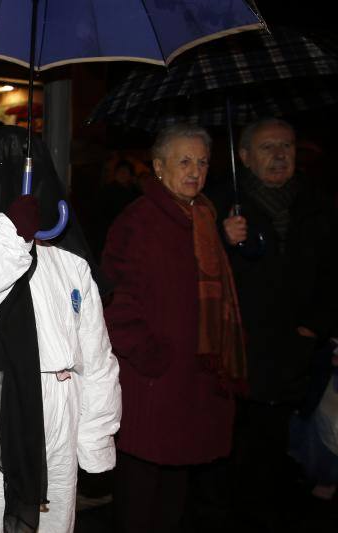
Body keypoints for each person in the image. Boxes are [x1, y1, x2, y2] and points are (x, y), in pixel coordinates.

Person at [0, 126, 121, 532]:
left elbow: (97, 359)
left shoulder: (70, 262)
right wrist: (11, 237)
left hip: (55, 416)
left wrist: (96, 439)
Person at [102, 123, 246, 533]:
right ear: (159, 167)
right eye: (184, 161)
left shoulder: (203, 216)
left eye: (202, 161)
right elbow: (114, 299)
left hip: (194, 375)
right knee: (142, 488)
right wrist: (151, 355)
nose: (195, 171)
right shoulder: (139, 221)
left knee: (176, 486)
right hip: (155, 378)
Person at [208, 118, 338, 531]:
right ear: (244, 157)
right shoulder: (222, 203)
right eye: (267, 147)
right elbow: (199, 273)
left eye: (287, 145)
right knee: (239, 440)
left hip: (296, 344)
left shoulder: (316, 203)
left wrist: (314, 326)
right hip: (242, 344)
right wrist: (221, 240)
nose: (280, 155)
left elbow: (332, 272)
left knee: (282, 438)